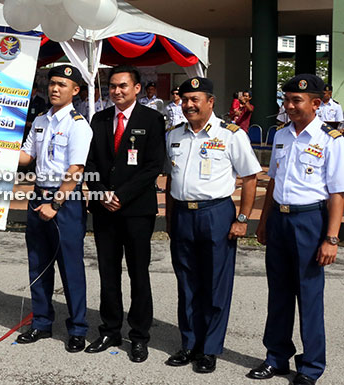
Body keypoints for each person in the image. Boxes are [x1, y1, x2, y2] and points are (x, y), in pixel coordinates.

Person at [247, 74, 344, 385]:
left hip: (310, 221)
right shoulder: (281, 135)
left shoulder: (331, 140)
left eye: (295, 100)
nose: (288, 106)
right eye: (286, 100)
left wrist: (331, 238)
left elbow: (337, 193)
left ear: (316, 103)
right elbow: (273, 180)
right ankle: (276, 358)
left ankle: (311, 366)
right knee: (278, 294)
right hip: (280, 221)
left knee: (309, 295)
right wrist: (263, 222)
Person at [165, 77, 261, 373]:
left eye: (195, 99)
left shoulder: (231, 135)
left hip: (216, 213)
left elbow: (250, 178)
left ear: (211, 102)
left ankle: (209, 348)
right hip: (182, 213)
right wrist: (170, 219)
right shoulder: (173, 135)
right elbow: (171, 178)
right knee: (187, 283)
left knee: (215, 284)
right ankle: (189, 343)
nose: (189, 105)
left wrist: (242, 219)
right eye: (185, 100)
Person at [84, 65, 166, 362]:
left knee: (138, 273)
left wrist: (122, 195)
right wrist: (102, 192)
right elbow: (89, 161)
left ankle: (139, 335)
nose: (116, 91)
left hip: (136, 210)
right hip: (104, 209)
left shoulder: (153, 119)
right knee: (107, 272)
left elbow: (153, 165)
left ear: (137, 89)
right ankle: (109, 329)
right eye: (112, 87)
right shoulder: (100, 119)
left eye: (122, 86)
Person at [17, 64, 93, 353]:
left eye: (62, 84)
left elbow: (75, 169)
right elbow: (27, 157)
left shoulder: (77, 125)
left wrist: (56, 204)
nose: (55, 88)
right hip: (38, 198)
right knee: (37, 262)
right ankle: (41, 322)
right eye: (52, 83)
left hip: (65, 203)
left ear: (75, 90)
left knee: (70, 267)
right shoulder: (40, 120)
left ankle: (77, 329)